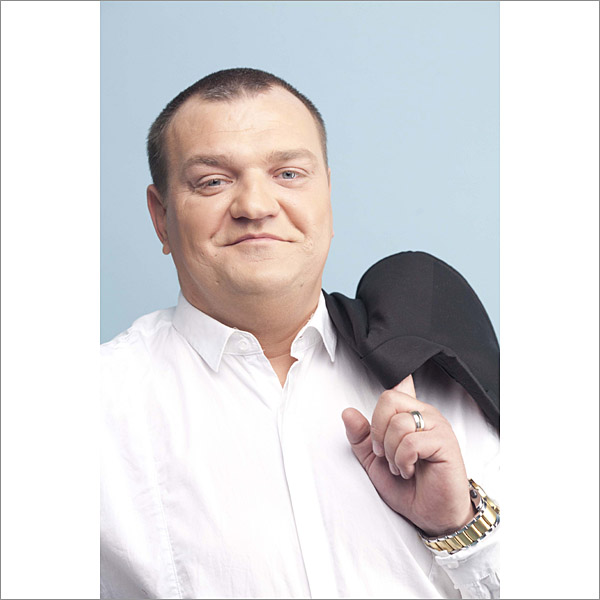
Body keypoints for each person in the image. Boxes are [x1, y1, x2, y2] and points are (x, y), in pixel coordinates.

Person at [101, 68, 500, 599]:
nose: (255, 206)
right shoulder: (94, 409)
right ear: (161, 217)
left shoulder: (445, 374)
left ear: (327, 196)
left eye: (288, 174)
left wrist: (459, 527)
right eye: (213, 181)